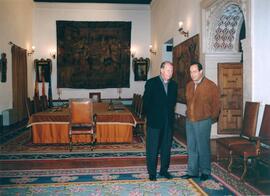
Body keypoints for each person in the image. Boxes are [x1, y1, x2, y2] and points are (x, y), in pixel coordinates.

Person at [181, 62, 220, 181]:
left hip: (203, 121)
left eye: (194, 71)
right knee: (191, 147)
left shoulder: (211, 86)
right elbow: (188, 103)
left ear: (201, 71)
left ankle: (205, 171)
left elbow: (216, 106)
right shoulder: (188, 85)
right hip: (190, 121)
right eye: (191, 72)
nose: (192, 74)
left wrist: (208, 119)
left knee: (203, 147)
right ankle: (192, 171)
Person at [143, 61, 178, 181]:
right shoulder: (151, 83)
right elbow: (146, 102)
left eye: (172, 70)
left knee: (166, 148)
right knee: (152, 148)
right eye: (168, 70)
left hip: (168, 122)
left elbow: (172, 103)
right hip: (154, 122)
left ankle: (164, 170)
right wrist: (151, 117)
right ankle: (152, 173)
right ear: (162, 70)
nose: (170, 72)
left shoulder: (174, 85)